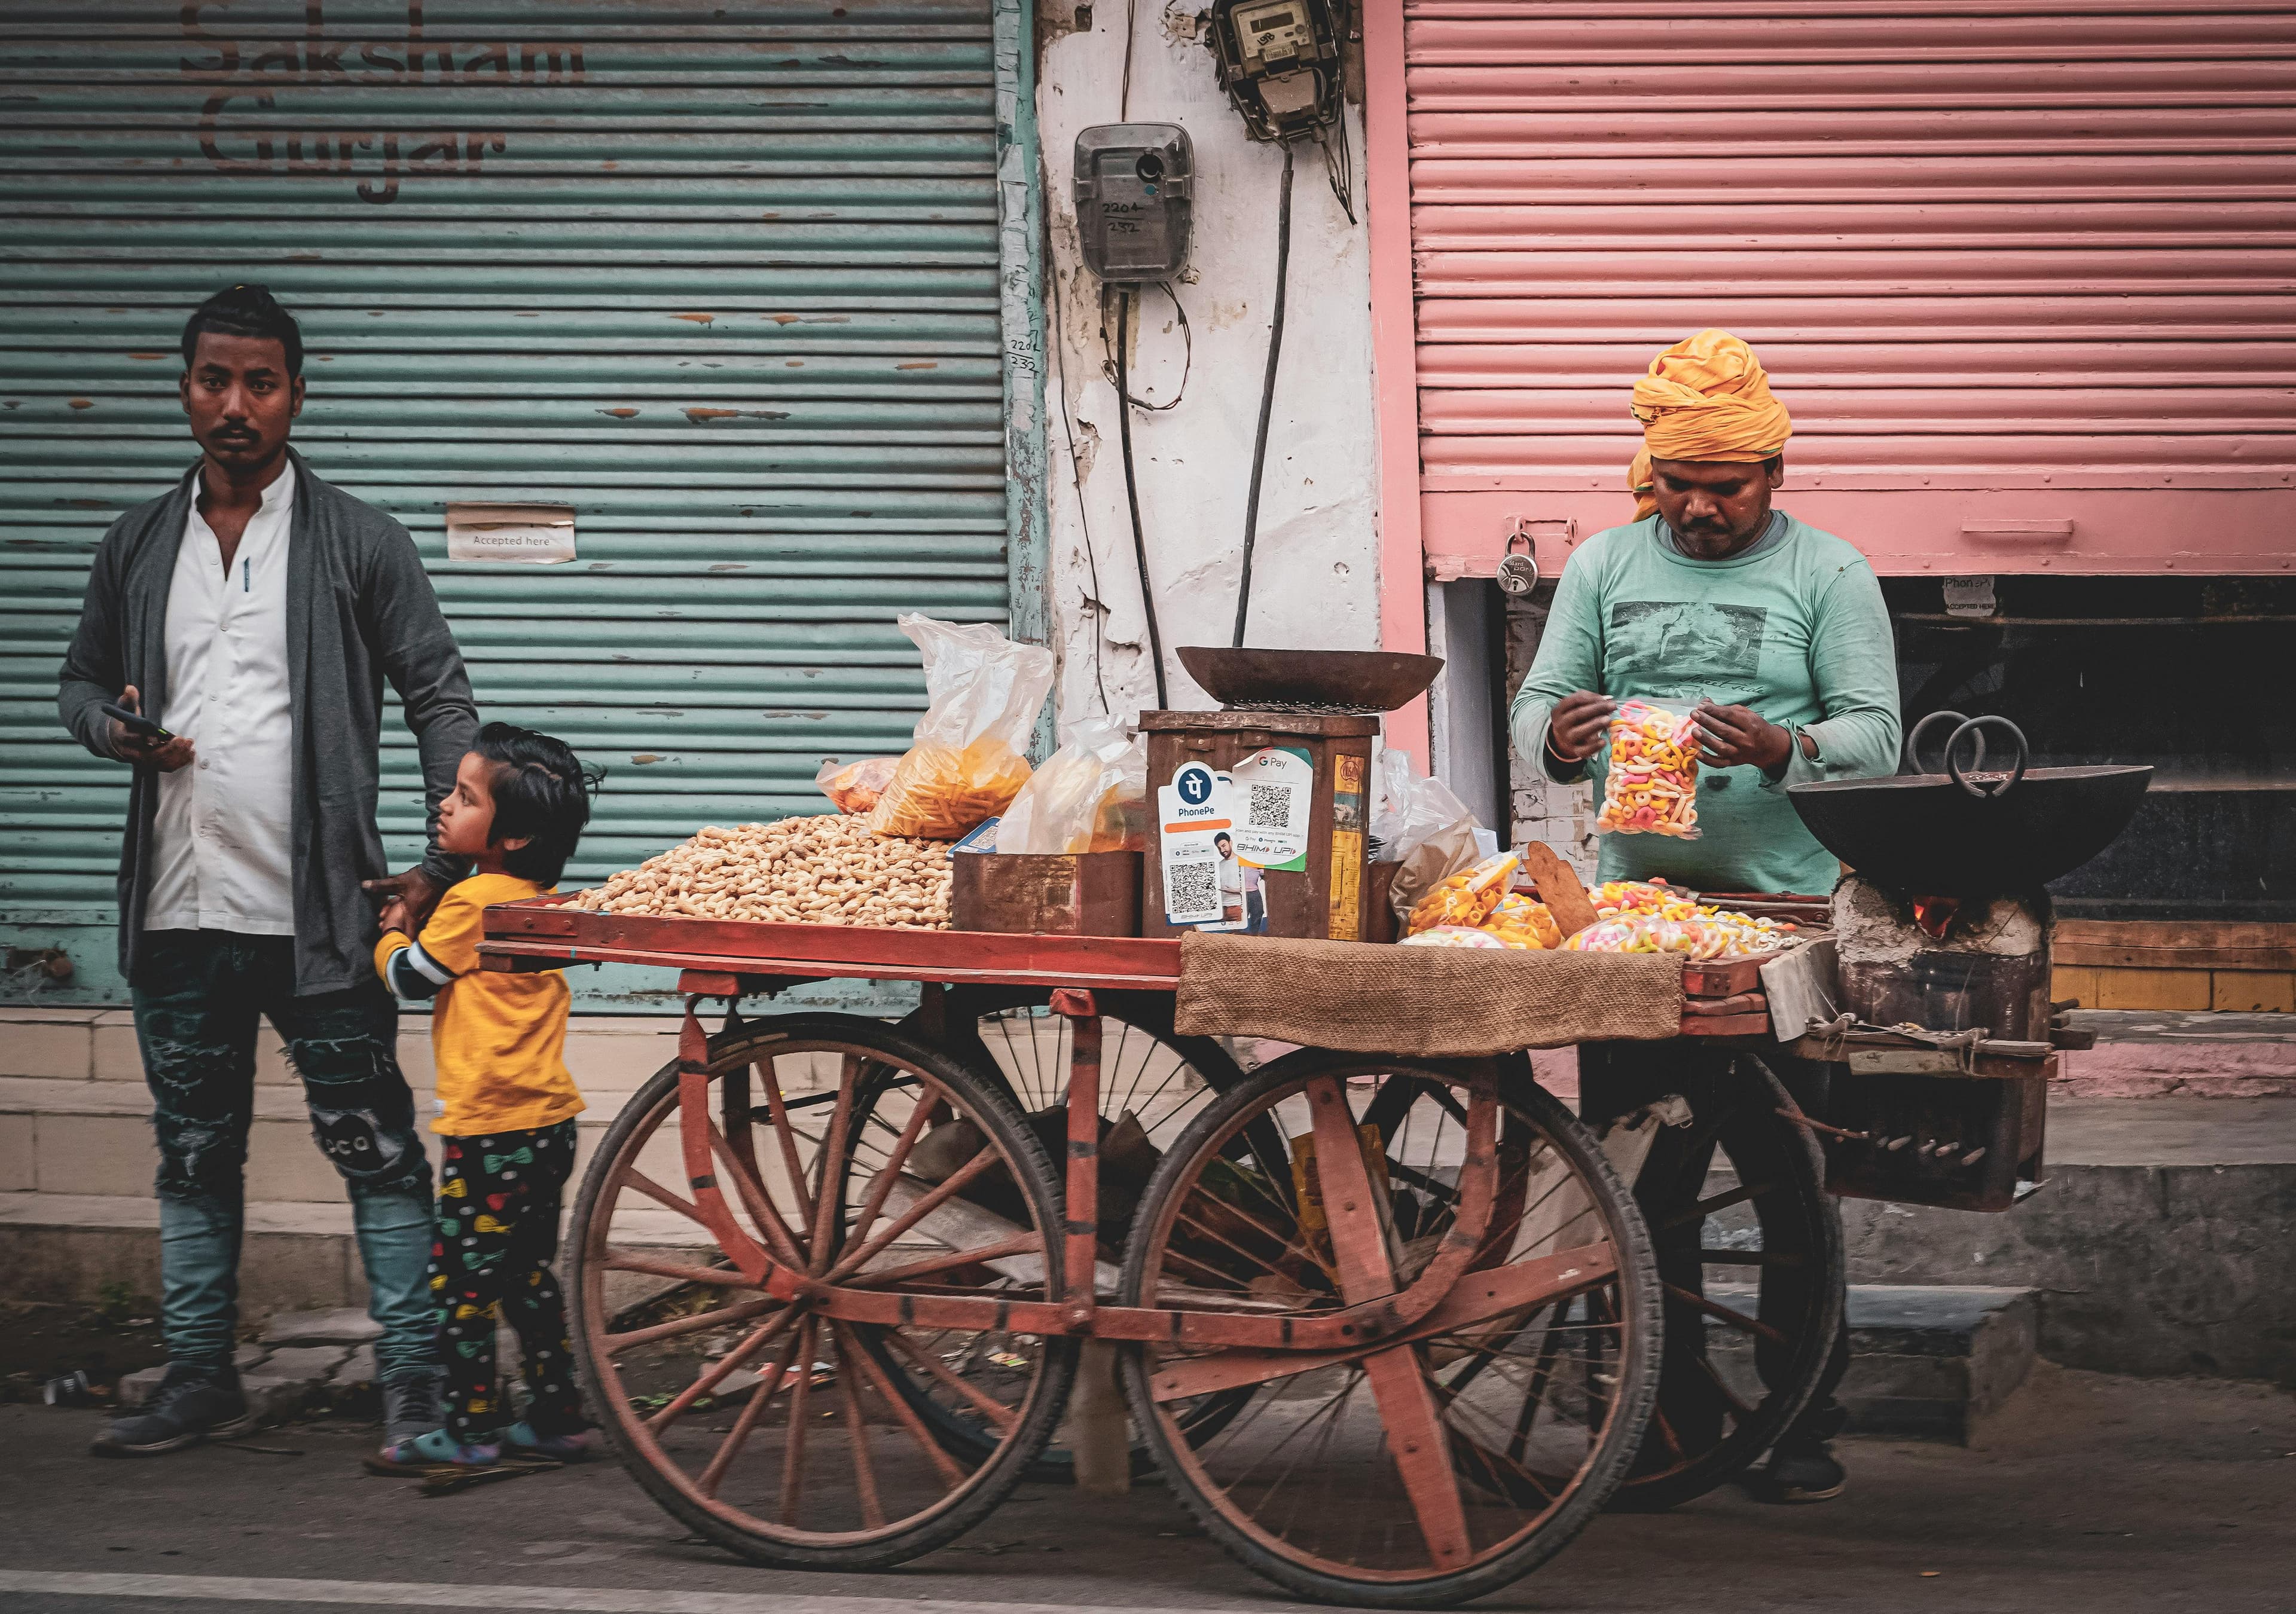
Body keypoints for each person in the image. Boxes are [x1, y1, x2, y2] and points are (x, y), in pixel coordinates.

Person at [57, 285, 480, 1458]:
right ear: (184, 389)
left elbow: (438, 691)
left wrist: (447, 856)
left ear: (298, 392)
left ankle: (415, 1387)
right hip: (179, 911)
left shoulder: (357, 541)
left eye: (260, 382)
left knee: (372, 1145)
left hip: (322, 920)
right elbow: (79, 683)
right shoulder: (139, 545)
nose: (235, 405)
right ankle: (200, 1379)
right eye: (213, 380)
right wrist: (115, 733)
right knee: (193, 1152)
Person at [1510, 329, 1902, 1503]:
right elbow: (1538, 697)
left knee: (1793, 1186)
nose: (1696, 509)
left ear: (1773, 477)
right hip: (1637, 922)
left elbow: (1879, 737)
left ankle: (1798, 1421)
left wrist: (1790, 746)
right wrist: (1558, 733)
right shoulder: (1604, 569)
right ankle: (1666, 1415)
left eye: (1723, 488)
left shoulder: (1828, 577)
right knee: (1644, 1182)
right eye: (1677, 484)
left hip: (1791, 923)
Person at [368, 723, 602, 1474]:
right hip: (548, 1124)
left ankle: (470, 1428)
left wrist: (393, 933)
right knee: (527, 1275)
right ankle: (557, 1414)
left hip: (490, 1131)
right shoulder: (541, 898)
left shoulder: (475, 903)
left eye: (464, 798)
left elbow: (411, 980)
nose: (444, 806)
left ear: (516, 834)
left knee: (460, 1282)